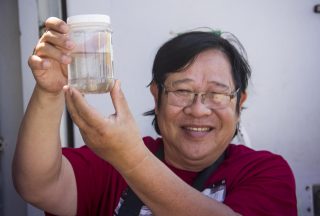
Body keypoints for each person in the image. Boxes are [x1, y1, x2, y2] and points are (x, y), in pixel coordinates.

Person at [12, 17, 297, 216]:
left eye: (217, 93)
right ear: (156, 96)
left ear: (239, 102)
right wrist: (49, 91)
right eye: (182, 90)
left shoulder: (266, 172)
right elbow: (37, 186)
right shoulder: (109, 163)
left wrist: (132, 159)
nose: (198, 109)